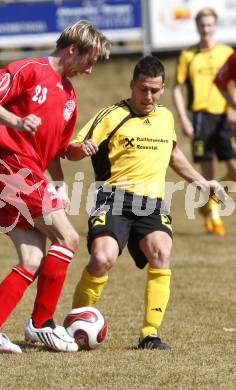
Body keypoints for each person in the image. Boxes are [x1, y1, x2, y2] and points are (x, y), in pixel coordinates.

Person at [0, 20, 111, 354]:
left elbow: (56, 150)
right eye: (89, 61)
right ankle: (42, 323)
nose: (89, 71)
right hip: (11, 166)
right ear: (73, 49)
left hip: (31, 171)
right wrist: (16, 121)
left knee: (32, 259)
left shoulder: (70, 97)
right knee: (69, 238)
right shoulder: (27, 70)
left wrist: (67, 168)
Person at [66, 55, 227, 350]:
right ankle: (73, 324)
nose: (148, 96)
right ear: (132, 86)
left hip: (151, 203)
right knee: (102, 258)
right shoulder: (111, 115)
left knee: (161, 252)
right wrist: (82, 149)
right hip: (113, 198)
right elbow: (72, 148)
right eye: (143, 90)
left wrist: (203, 184)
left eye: (154, 90)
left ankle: (149, 334)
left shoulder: (165, 118)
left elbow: (173, 155)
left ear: (163, 89)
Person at [172, 7, 236, 236]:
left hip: (225, 117)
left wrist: (233, 108)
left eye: (209, 25)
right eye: (202, 25)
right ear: (197, 27)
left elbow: (232, 84)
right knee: (206, 171)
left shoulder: (227, 52)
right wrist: (183, 119)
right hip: (199, 118)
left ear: (215, 26)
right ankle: (214, 216)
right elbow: (177, 87)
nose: (206, 29)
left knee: (234, 169)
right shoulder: (188, 55)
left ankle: (208, 204)